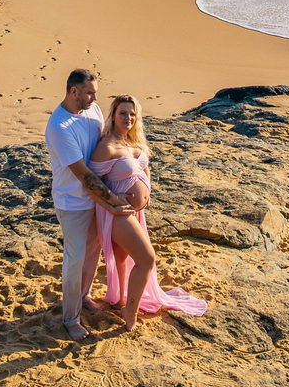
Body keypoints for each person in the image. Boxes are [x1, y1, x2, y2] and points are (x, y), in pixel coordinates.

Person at [89, 94, 207, 330]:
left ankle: (119, 299)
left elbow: (145, 167)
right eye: (123, 113)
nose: (128, 118)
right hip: (118, 213)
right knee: (147, 258)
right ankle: (129, 311)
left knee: (123, 258)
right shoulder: (106, 147)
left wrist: (147, 192)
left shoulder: (132, 142)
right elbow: (91, 183)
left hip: (135, 212)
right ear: (112, 116)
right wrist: (110, 203)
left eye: (133, 114)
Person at [44, 69, 134, 341]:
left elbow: (109, 141)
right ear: (74, 92)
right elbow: (82, 173)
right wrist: (113, 200)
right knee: (75, 260)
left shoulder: (92, 110)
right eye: (90, 92)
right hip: (73, 203)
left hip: (97, 199)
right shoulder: (59, 127)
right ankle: (70, 319)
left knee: (94, 251)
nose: (95, 98)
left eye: (95, 92)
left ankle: (83, 296)